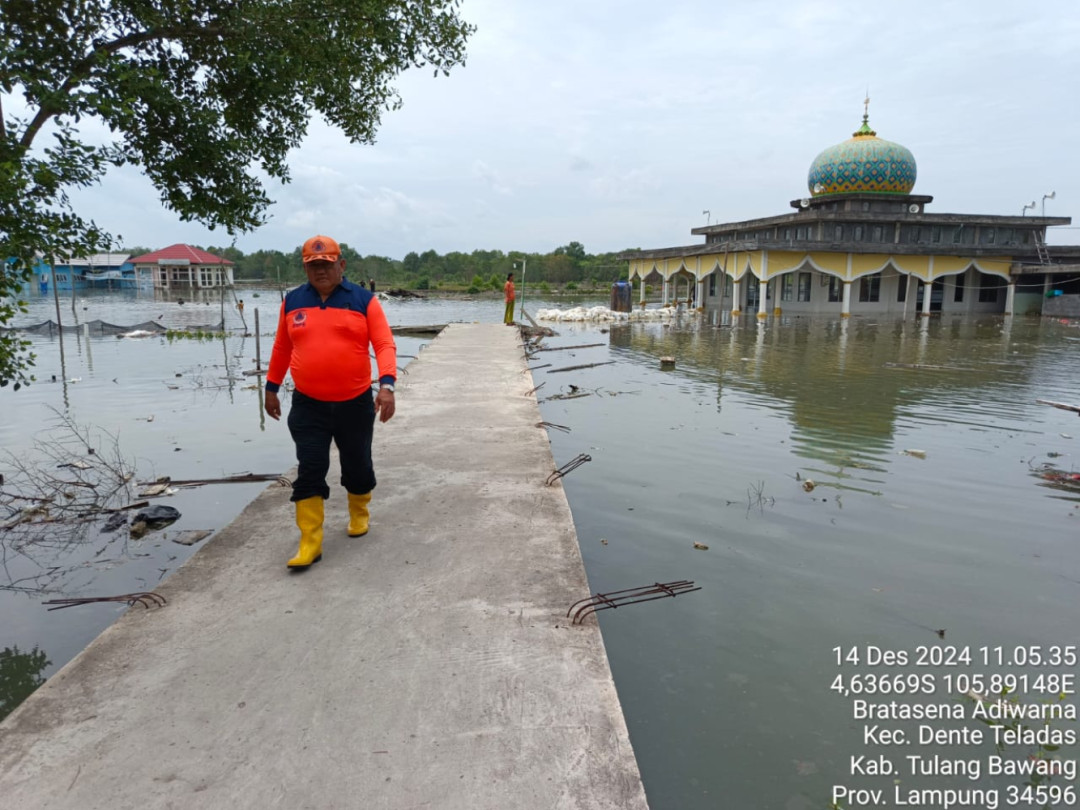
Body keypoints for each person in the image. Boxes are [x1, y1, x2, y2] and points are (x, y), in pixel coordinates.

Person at [264, 235, 398, 570]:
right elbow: (282, 348)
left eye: (326, 265)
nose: (320, 271)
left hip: (354, 403)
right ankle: (310, 540)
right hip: (309, 404)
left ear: (341, 265)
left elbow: (384, 344)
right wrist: (271, 386)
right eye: (313, 266)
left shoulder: (363, 300)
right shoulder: (293, 301)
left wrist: (387, 386)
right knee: (310, 466)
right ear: (305, 268)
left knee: (358, 466)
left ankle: (359, 512)